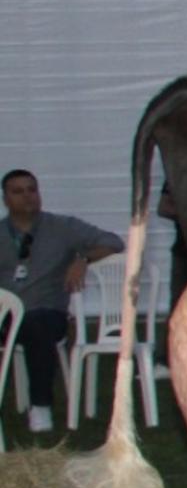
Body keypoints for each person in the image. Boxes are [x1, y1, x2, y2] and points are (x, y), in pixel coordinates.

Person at [3, 169, 123, 435]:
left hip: (46, 311)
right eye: (18, 192)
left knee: (38, 325)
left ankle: (41, 405)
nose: (27, 197)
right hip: (7, 313)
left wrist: (83, 260)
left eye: (32, 190)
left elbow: (113, 242)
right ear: (5, 199)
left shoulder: (62, 227)